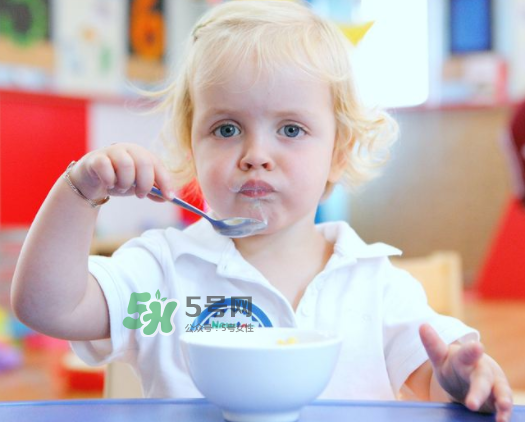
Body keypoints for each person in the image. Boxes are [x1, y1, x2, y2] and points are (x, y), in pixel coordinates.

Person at [11, 1, 512, 420]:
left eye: (291, 129)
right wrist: (79, 192)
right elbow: (47, 307)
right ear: (193, 147)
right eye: (226, 129)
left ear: (338, 152)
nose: (255, 153)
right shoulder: (162, 276)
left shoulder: (374, 284)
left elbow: (434, 378)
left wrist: (457, 378)